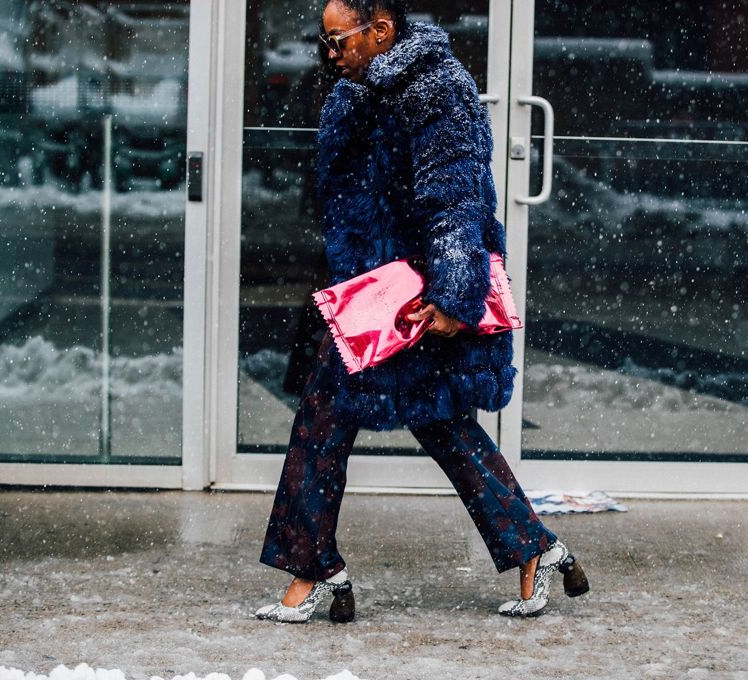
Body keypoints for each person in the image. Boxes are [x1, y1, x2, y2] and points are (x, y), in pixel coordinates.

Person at [254, 0, 589, 623]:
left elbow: (456, 200)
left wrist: (454, 297)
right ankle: (533, 548)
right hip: (374, 289)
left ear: (380, 31)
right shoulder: (360, 90)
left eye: (339, 40)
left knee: (346, 419)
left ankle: (316, 570)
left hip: (415, 295)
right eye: (323, 41)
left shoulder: (435, 90)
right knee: (426, 422)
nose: (329, 53)